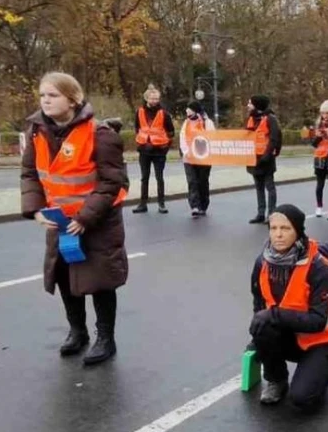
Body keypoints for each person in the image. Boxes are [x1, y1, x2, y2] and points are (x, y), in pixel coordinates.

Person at [21, 72, 130, 366]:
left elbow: (112, 183)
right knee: (66, 278)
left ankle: (105, 338)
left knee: (99, 280)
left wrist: (85, 217)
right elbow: (31, 174)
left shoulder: (100, 134)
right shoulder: (37, 132)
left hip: (98, 221)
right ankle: (77, 331)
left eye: (53, 95)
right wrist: (35, 209)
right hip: (60, 221)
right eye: (43, 95)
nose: (45, 100)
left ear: (73, 100)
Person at [249, 205, 328, 411]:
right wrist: (260, 338)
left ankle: (323, 372)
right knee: (261, 325)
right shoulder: (262, 262)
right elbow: (259, 303)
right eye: (273, 228)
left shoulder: (318, 267)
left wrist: (272, 315)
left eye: (286, 228)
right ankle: (277, 380)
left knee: (302, 399)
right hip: (289, 335)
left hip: (320, 341)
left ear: (298, 231)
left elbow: (318, 321)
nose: (278, 235)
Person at [131, 84, 174, 214]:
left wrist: (165, 147)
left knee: (159, 177)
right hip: (144, 151)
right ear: (146, 99)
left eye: (156, 99)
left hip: (159, 151)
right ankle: (143, 204)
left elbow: (171, 132)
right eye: (152, 98)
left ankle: (161, 203)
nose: (154, 101)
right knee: (144, 178)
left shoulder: (164, 114)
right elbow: (137, 129)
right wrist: (141, 144)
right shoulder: (139, 112)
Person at [246, 95, 283, 223]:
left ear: (257, 105)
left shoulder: (270, 118)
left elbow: (275, 138)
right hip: (253, 158)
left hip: (266, 159)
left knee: (269, 186)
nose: (248, 105)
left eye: (250, 103)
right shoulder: (251, 119)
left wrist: (269, 155)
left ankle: (271, 213)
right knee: (258, 187)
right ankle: (260, 213)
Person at [180, 101, 215, 217]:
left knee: (203, 181)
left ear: (195, 110)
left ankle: (203, 205)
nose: (187, 111)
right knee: (192, 181)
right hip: (189, 158)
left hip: (203, 158)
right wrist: (186, 152)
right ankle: (194, 205)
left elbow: (212, 137)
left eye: (189, 108)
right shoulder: (186, 123)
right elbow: (183, 138)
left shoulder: (207, 123)